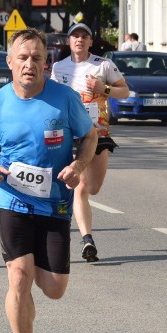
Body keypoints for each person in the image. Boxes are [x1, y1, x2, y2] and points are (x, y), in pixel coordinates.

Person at [0, 28, 97, 333]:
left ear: (46, 63)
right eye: (22, 58)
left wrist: (78, 165)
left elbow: (90, 136)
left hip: (55, 202)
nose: (29, 64)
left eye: (37, 58)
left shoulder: (65, 99)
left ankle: (29, 293)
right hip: (12, 199)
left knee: (55, 289)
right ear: (10, 63)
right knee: (19, 276)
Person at [50, 22, 129, 262]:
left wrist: (103, 88)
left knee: (93, 188)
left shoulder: (103, 64)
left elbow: (124, 91)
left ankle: (84, 236)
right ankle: (87, 240)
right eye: (75, 36)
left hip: (99, 133)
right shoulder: (58, 67)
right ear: (69, 41)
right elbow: (52, 97)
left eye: (85, 36)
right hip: (71, 136)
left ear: (90, 42)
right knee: (80, 188)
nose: (80, 40)